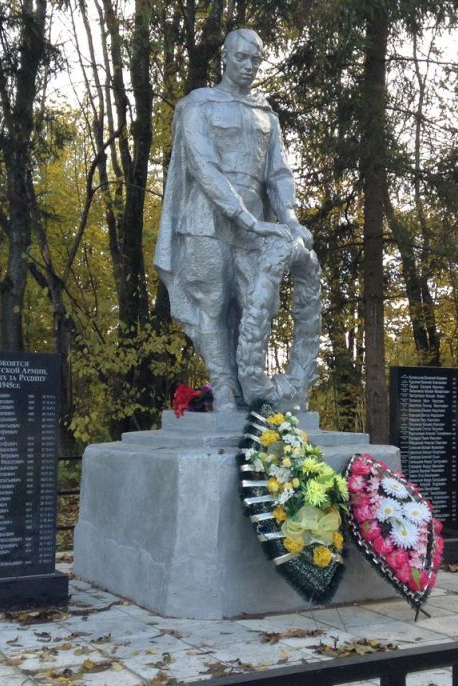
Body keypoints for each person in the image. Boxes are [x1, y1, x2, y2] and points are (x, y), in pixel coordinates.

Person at [155, 28, 319, 412]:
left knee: (255, 306)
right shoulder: (198, 106)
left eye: (255, 60)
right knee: (212, 305)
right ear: (225, 57)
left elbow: (278, 173)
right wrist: (248, 219)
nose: (248, 66)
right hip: (205, 221)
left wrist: (289, 217)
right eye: (241, 57)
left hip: (255, 229)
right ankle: (225, 390)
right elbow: (204, 167)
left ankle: (250, 388)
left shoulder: (266, 115)